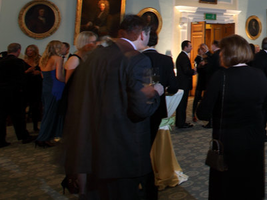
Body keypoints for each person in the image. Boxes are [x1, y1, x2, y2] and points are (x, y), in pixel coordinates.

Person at [63, 15, 163, 199]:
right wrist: (156, 92)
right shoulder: (139, 60)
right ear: (142, 35)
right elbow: (142, 109)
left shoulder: (96, 55)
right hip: (124, 148)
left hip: (94, 144)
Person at [196, 35, 267, 200]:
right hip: (254, 139)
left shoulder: (221, 77)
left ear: (227, 54)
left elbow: (203, 113)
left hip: (228, 142)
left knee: (227, 187)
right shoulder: (259, 75)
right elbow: (265, 105)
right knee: (251, 183)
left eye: (222, 52)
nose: (220, 55)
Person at [143, 30, 179, 144]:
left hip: (140, 106)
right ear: (156, 42)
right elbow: (174, 86)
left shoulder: (136, 58)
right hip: (160, 106)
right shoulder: (166, 60)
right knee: (159, 138)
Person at [0, 43, 35, 147]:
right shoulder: (18, 62)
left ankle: (1, 140)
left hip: (1, 93)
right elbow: (21, 78)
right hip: (14, 93)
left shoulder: (1, 61)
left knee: (1, 117)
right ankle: (23, 136)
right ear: (19, 51)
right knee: (18, 116)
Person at [36, 40, 66, 147]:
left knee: (47, 112)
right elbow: (59, 76)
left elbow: (43, 76)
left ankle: (45, 137)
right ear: (57, 48)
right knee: (52, 113)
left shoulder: (43, 59)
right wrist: (67, 81)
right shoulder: (58, 59)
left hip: (46, 87)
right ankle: (43, 137)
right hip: (56, 88)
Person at [175, 40, 195, 128]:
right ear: (185, 47)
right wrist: (193, 71)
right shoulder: (183, 57)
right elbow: (186, 71)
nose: (191, 48)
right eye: (190, 46)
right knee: (182, 104)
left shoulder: (182, 56)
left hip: (182, 83)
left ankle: (181, 121)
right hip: (183, 84)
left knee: (182, 104)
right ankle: (181, 123)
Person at [23, 44, 43, 132]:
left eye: (31, 50)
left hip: (37, 85)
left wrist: (39, 72)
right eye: (28, 50)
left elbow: (44, 70)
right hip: (27, 85)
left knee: (36, 106)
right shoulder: (24, 60)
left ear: (35, 51)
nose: (29, 52)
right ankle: (24, 127)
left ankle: (35, 126)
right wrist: (28, 71)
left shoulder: (40, 60)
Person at [192, 43, 209, 122]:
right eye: (201, 50)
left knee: (206, 97)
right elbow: (197, 68)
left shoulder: (208, 57)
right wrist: (200, 65)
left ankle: (204, 113)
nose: (202, 51)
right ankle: (193, 114)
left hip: (206, 79)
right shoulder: (197, 58)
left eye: (203, 49)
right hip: (201, 79)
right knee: (197, 97)